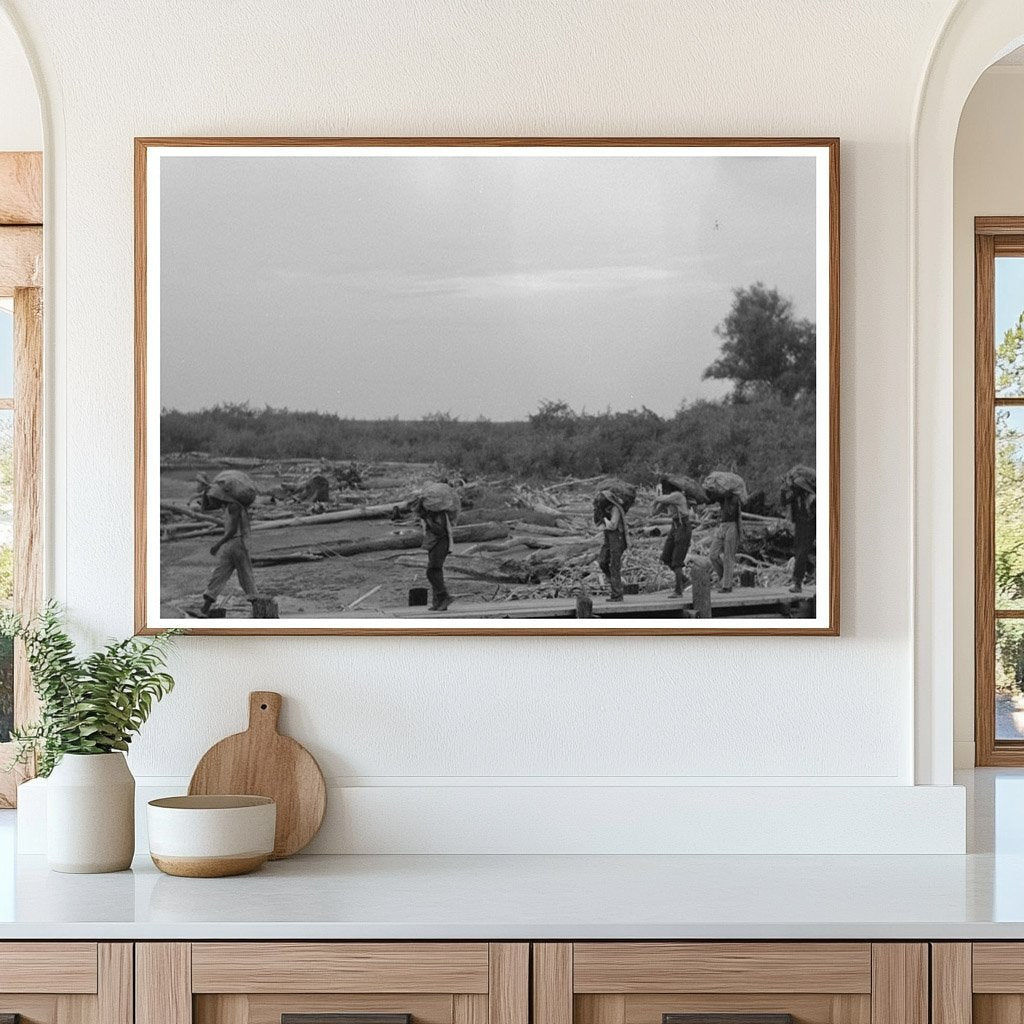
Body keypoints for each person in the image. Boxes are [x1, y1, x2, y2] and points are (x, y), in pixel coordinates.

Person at [198, 495, 258, 616]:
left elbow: (232, 530)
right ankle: (205, 608)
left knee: (244, 575)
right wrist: (205, 495)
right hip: (232, 545)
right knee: (219, 574)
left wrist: (218, 545)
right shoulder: (228, 506)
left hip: (237, 543)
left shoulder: (234, 506)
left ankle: (257, 607)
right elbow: (205, 508)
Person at [652, 488, 692, 597]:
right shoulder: (671, 501)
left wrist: (656, 501)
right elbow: (654, 512)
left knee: (677, 560)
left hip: (683, 527)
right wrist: (657, 507)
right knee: (666, 557)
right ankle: (684, 580)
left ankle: (678, 591)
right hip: (674, 527)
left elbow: (660, 499)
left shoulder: (677, 495)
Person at [419, 501, 455, 611]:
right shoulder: (431, 514)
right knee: (436, 572)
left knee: (432, 571)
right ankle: (438, 602)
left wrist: (427, 520)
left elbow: (440, 530)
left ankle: (444, 596)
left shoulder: (439, 514)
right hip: (434, 544)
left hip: (441, 543)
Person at [783, 476, 816, 593]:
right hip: (799, 529)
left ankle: (797, 583)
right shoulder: (796, 498)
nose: (795, 489)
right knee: (799, 554)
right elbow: (784, 501)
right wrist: (784, 489)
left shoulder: (812, 499)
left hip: (809, 529)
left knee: (801, 554)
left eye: (797, 487)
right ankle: (800, 579)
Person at [708, 487, 742, 592]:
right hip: (722, 525)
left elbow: (732, 512)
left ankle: (727, 586)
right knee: (713, 554)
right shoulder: (723, 497)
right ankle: (724, 576)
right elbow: (711, 498)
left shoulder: (735, 498)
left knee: (728, 556)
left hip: (732, 526)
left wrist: (726, 497)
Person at [597, 490, 627, 602]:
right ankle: (616, 586)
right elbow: (600, 525)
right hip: (609, 541)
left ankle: (617, 594)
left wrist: (605, 519)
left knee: (615, 566)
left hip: (617, 540)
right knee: (603, 562)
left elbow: (613, 526)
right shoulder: (605, 509)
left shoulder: (615, 509)